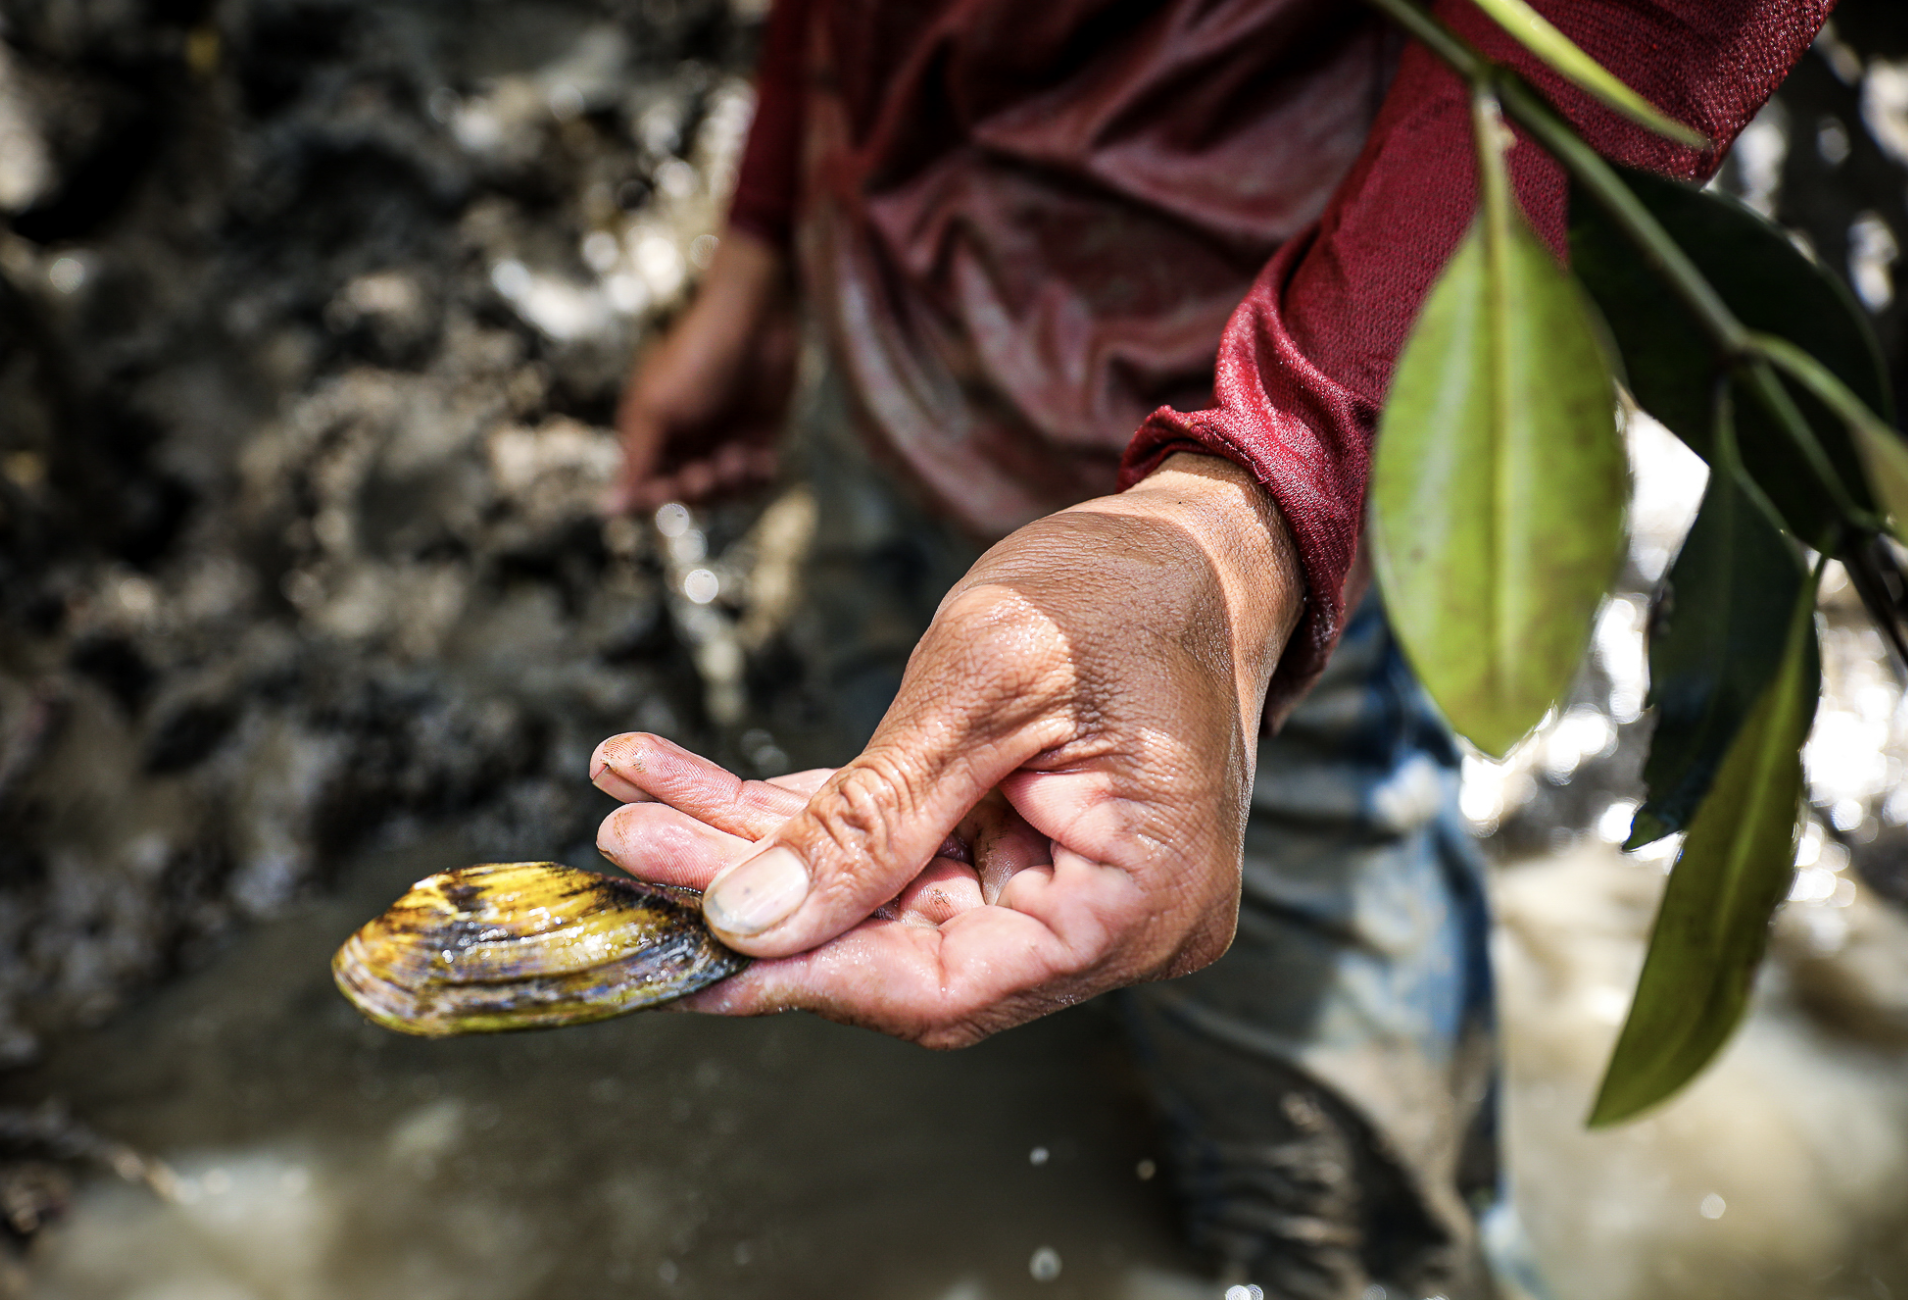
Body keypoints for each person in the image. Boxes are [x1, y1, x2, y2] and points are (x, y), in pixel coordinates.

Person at [588, 1, 1829, 1295]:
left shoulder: (1266, 511)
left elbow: (1641, 26)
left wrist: (1257, 508)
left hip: (1253, 497)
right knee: (987, 935)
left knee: (1338, 1224)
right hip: (892, 364)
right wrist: (761, 246)